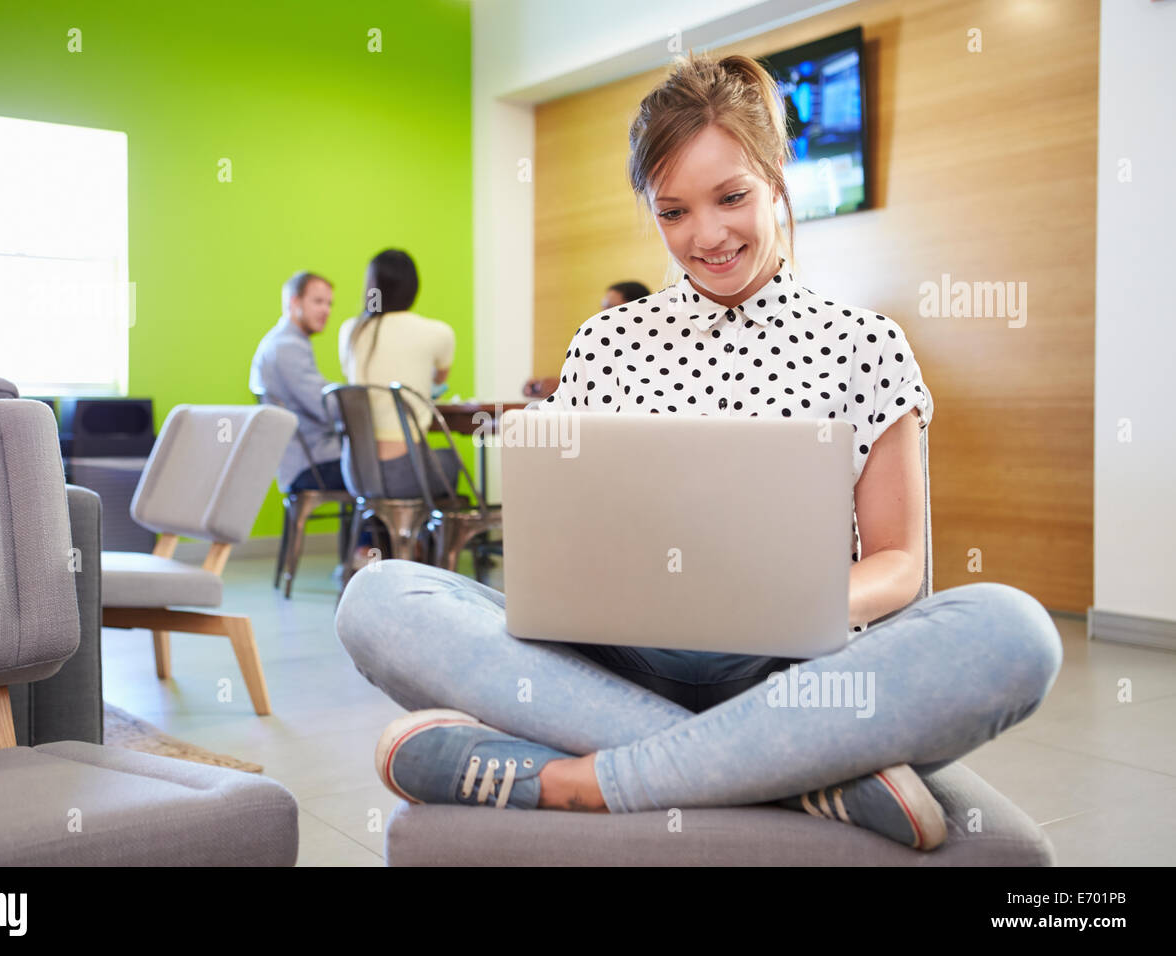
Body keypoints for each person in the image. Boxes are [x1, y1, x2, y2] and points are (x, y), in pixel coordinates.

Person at [333, 52, 1062, 851]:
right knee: (378, 598)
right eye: (673, 212)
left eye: (732, 198)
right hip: (616, 663)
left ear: (777, 179)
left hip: (793, 673)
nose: (707, 236)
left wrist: (797, 604)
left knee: (1014, 630)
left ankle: (586, 778)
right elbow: (562, 542)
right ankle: (792, 778)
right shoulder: (608, 341)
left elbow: (899, 565)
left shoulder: (866, 344)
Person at [338, 249, 462, 500]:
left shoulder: (351, 332)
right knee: (450, 460)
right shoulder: (437, 333)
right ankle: (420, 538)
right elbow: (440, 379)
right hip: (407, 470)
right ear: (413, 287)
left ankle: (381, 535)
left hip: (356, 471)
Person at [250, 270, 346, 493]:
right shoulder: (287, 347)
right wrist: (360, 399)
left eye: (329, 304)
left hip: (308, 458)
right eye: (318, 302)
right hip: (309, 464)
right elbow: (326, 408)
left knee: (376, 468)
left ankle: (366, 529)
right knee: (379, 472)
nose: (326, 310)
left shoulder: (287, 342)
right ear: (295, 302)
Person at [523, 280, 652, 398]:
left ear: (636, 311)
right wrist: (549, 388)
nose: (601, 316)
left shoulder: (650, 350)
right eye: (602, 309)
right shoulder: (601, 346)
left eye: (610, 309)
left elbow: (623, 394)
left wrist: (562, 388)